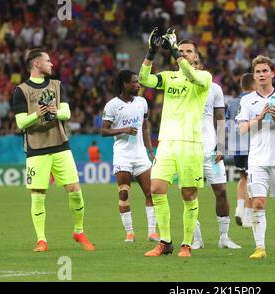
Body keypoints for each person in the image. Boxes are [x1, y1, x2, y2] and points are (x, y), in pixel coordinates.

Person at [139, 27, 212, 257]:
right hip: (167, 142)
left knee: (189, 194)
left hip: (190, 143)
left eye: (188, 51)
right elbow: (144, 79)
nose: (183, 53)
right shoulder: (169, 77)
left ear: (196, 57)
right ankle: (165, 242)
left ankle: (187, 244)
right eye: (180, 50)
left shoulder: (203, 77)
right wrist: (151, 53)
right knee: (156, 189)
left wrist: (174, 53)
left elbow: (190, 75)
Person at [12, 48, 94, 252]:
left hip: (60, 145)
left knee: (75, 190)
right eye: (48, 61)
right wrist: (37, 113)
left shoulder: (57, 86)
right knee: (38, 194)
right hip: (36, 148)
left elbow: (66, 112)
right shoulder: (21, 91)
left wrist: (55, 112)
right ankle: (42, 240)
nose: (52, 64)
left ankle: (79, 231)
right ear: (36, 64)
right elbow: (21, 122)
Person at [236, 55, 275, 259]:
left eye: (265, 71)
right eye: (258, 72)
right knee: (258, 203)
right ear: (254, 76)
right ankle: (260, 247)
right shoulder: (247, 100)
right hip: (257, 160)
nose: (261, 74)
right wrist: (259, 117)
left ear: (272, 73)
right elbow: (242, 129)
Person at [101, 70, 159, 243]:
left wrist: (149, 149)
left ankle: (152, 232)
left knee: (151, 192)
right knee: (124, 193)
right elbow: (104, 130)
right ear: (125, 84)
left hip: (140, 154)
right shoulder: (112, 105)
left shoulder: (142, 102)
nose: (138, 85)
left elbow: (145, 126)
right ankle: (130, 233)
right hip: (123, 155)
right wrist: (123, 130)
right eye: (135, 82)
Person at [190, 57, 241, 250]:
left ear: (201, 65)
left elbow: (220, 118)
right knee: (190, 195)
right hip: (188, 151)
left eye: (195, 62)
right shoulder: (178, 88)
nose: (192, 66)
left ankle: (224, 237)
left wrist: (220, 145)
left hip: (210, 150)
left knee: (221, 191)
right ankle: (196, 238)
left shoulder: (214, 88)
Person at [226, 73, 256, 228]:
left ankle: (239, 209)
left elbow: (225, 124)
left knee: (242, 178)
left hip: (236, 147)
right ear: (253, 85)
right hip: (251, 145)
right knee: (252, 179)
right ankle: (248, 216)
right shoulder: (253, 101)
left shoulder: (232, 102)